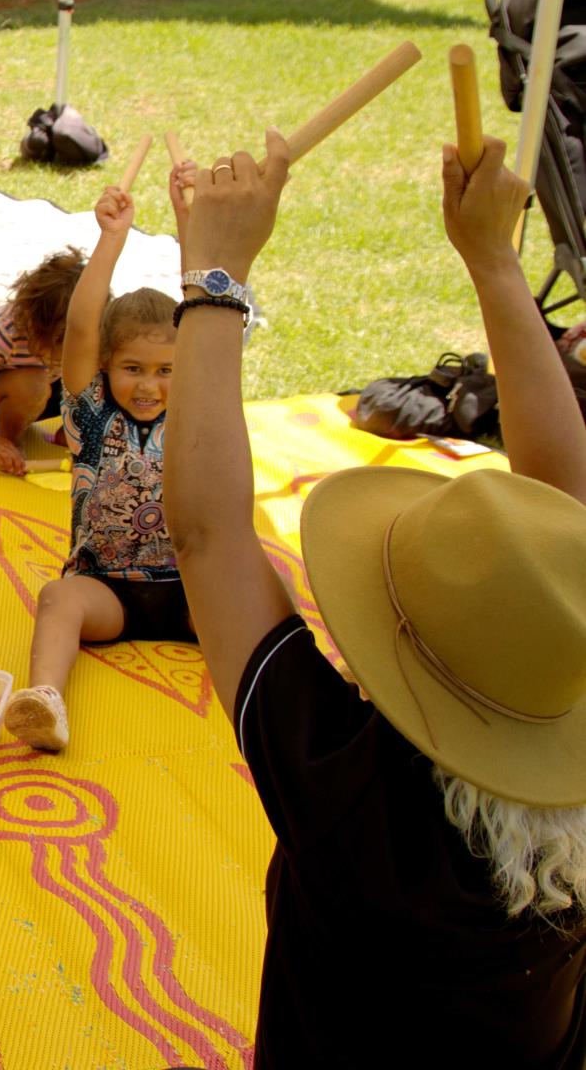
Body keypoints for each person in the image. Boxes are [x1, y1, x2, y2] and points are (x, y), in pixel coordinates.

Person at [164, 131, 586, 1065]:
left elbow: (206, 535)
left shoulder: (357, 798)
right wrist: (493, 262)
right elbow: (566, 520)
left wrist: (215, 277)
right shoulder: (565, 676)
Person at [3, 172, 192, 753]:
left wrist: (191, 227)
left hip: (189, 590)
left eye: (166, 370)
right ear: (107, 365)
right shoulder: (89, 414)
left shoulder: (195, 415)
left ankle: (312, 681)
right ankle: (46, 702)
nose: (150, 385)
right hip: (105, 591)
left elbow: (214, 317)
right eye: (133, 367)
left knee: (271, 579)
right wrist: (112, 237)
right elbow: (84, 323)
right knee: (57, 599)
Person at [0, 248, 86, 476]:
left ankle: (69, 430)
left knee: (116, 369)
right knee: (32, 382)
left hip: (52, 394)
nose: (53, 355)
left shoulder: (92, 332)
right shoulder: (2, 330)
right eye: (49, 345)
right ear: (31, 321)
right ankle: (11, 441)